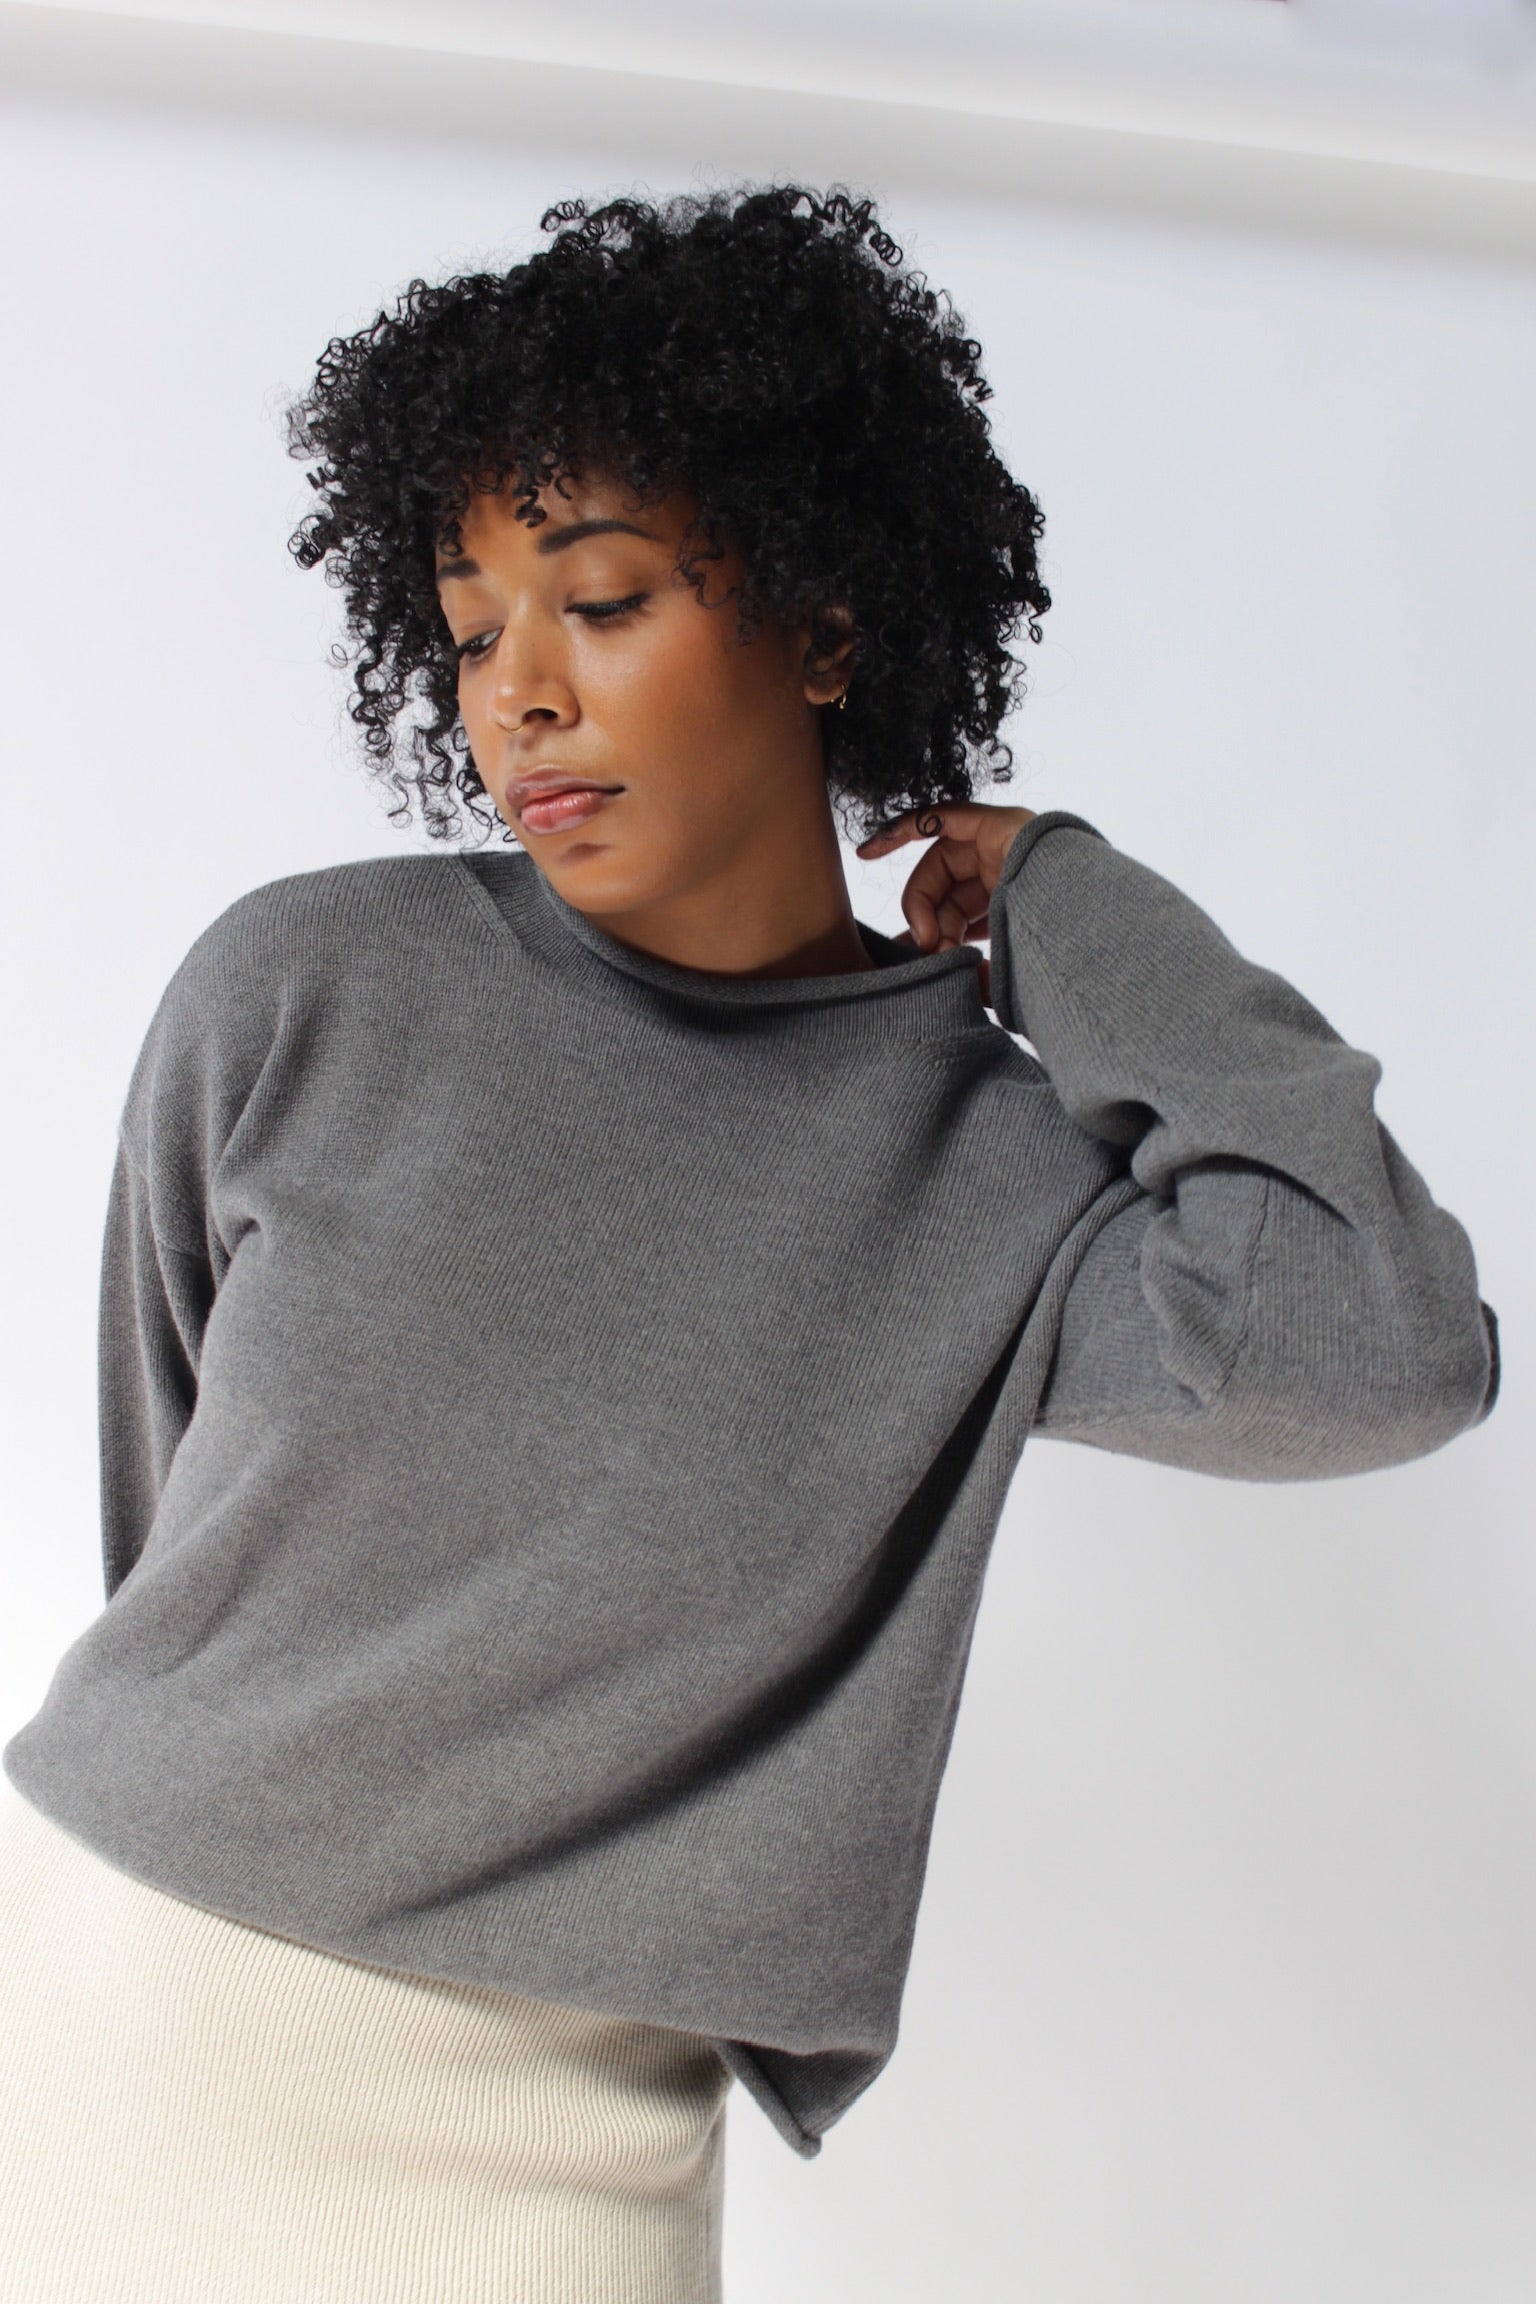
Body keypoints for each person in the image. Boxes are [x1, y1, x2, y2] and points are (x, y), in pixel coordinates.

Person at [0, 184, 1499, 2303]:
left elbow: (1383, 1338)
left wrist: (1067, 897)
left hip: (573, 2164)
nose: (518, 696)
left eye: (602, 601)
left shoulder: (994, 1185)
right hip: (99, 2019)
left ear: (822, 631)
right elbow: (173, 1544)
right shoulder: (305, 987)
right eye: (472, 631)